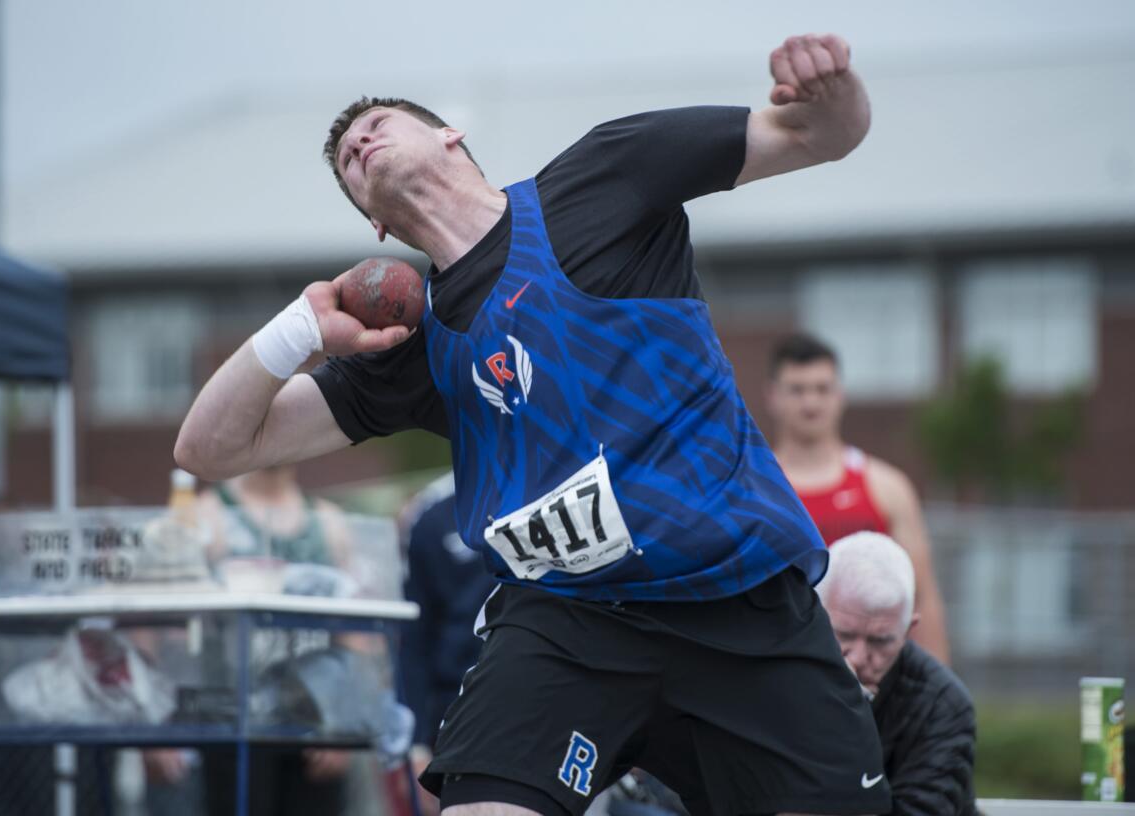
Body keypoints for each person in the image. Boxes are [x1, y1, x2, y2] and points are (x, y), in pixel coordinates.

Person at [177, 33, 887, 816]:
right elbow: (210, 450)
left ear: (451, 134)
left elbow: (819, 134)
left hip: (737, 593)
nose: (360, 142)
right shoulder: (412, 353)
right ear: (375, 227)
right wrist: (299, 331)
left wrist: (832, 86)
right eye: (347, 158)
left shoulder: (604, 177)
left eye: (377, 123)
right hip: (565, 624)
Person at [143, 465, 362, 816]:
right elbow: (158, 623)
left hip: (314, 726)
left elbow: (354, 631)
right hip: (228, 722)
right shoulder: (205, 516)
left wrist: (346, 723)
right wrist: (154, 726)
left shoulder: (328, 522)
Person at [767, 332, 952, 664]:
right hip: (783, 671)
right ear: (773, 397)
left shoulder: (887, 488)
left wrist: (938, 694)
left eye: (822, 389)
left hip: (870, 675)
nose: (810, 402)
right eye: (797, 390)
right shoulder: (755, 490)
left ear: (840, 395)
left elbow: (922, 597)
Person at [818, 532, 976, 816]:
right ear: (815, 615)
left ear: (908, 630)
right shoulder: (781, 683)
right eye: (843, 635)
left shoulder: (941, 703)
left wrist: (848, 721)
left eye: (880, 641)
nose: (858, 657)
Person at [397, 471, 497, 815]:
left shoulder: (560, 485)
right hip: (457, 719)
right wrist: (414, 744)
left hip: (550, 710)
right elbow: (414, 640)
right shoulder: (432, 515)